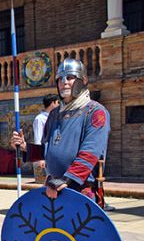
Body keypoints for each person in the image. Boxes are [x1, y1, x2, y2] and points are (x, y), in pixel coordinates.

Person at [12, 58, 110, 203]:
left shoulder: (95, 112)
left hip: (80, 189)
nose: (64, 82)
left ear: (83, 80)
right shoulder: (54, 114)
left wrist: (66, 180)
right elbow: (48, 150)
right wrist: (26, 148)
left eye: (70, 78)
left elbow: (90, 152)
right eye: (60, 79)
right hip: (53, 188)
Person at [32, 94, 60, 183]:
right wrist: (40, 157)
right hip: (45, 154)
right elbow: (38, 137)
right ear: (53, 103)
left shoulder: (56, 117)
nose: (59, 105)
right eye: (58, 102)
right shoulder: (40, 119)